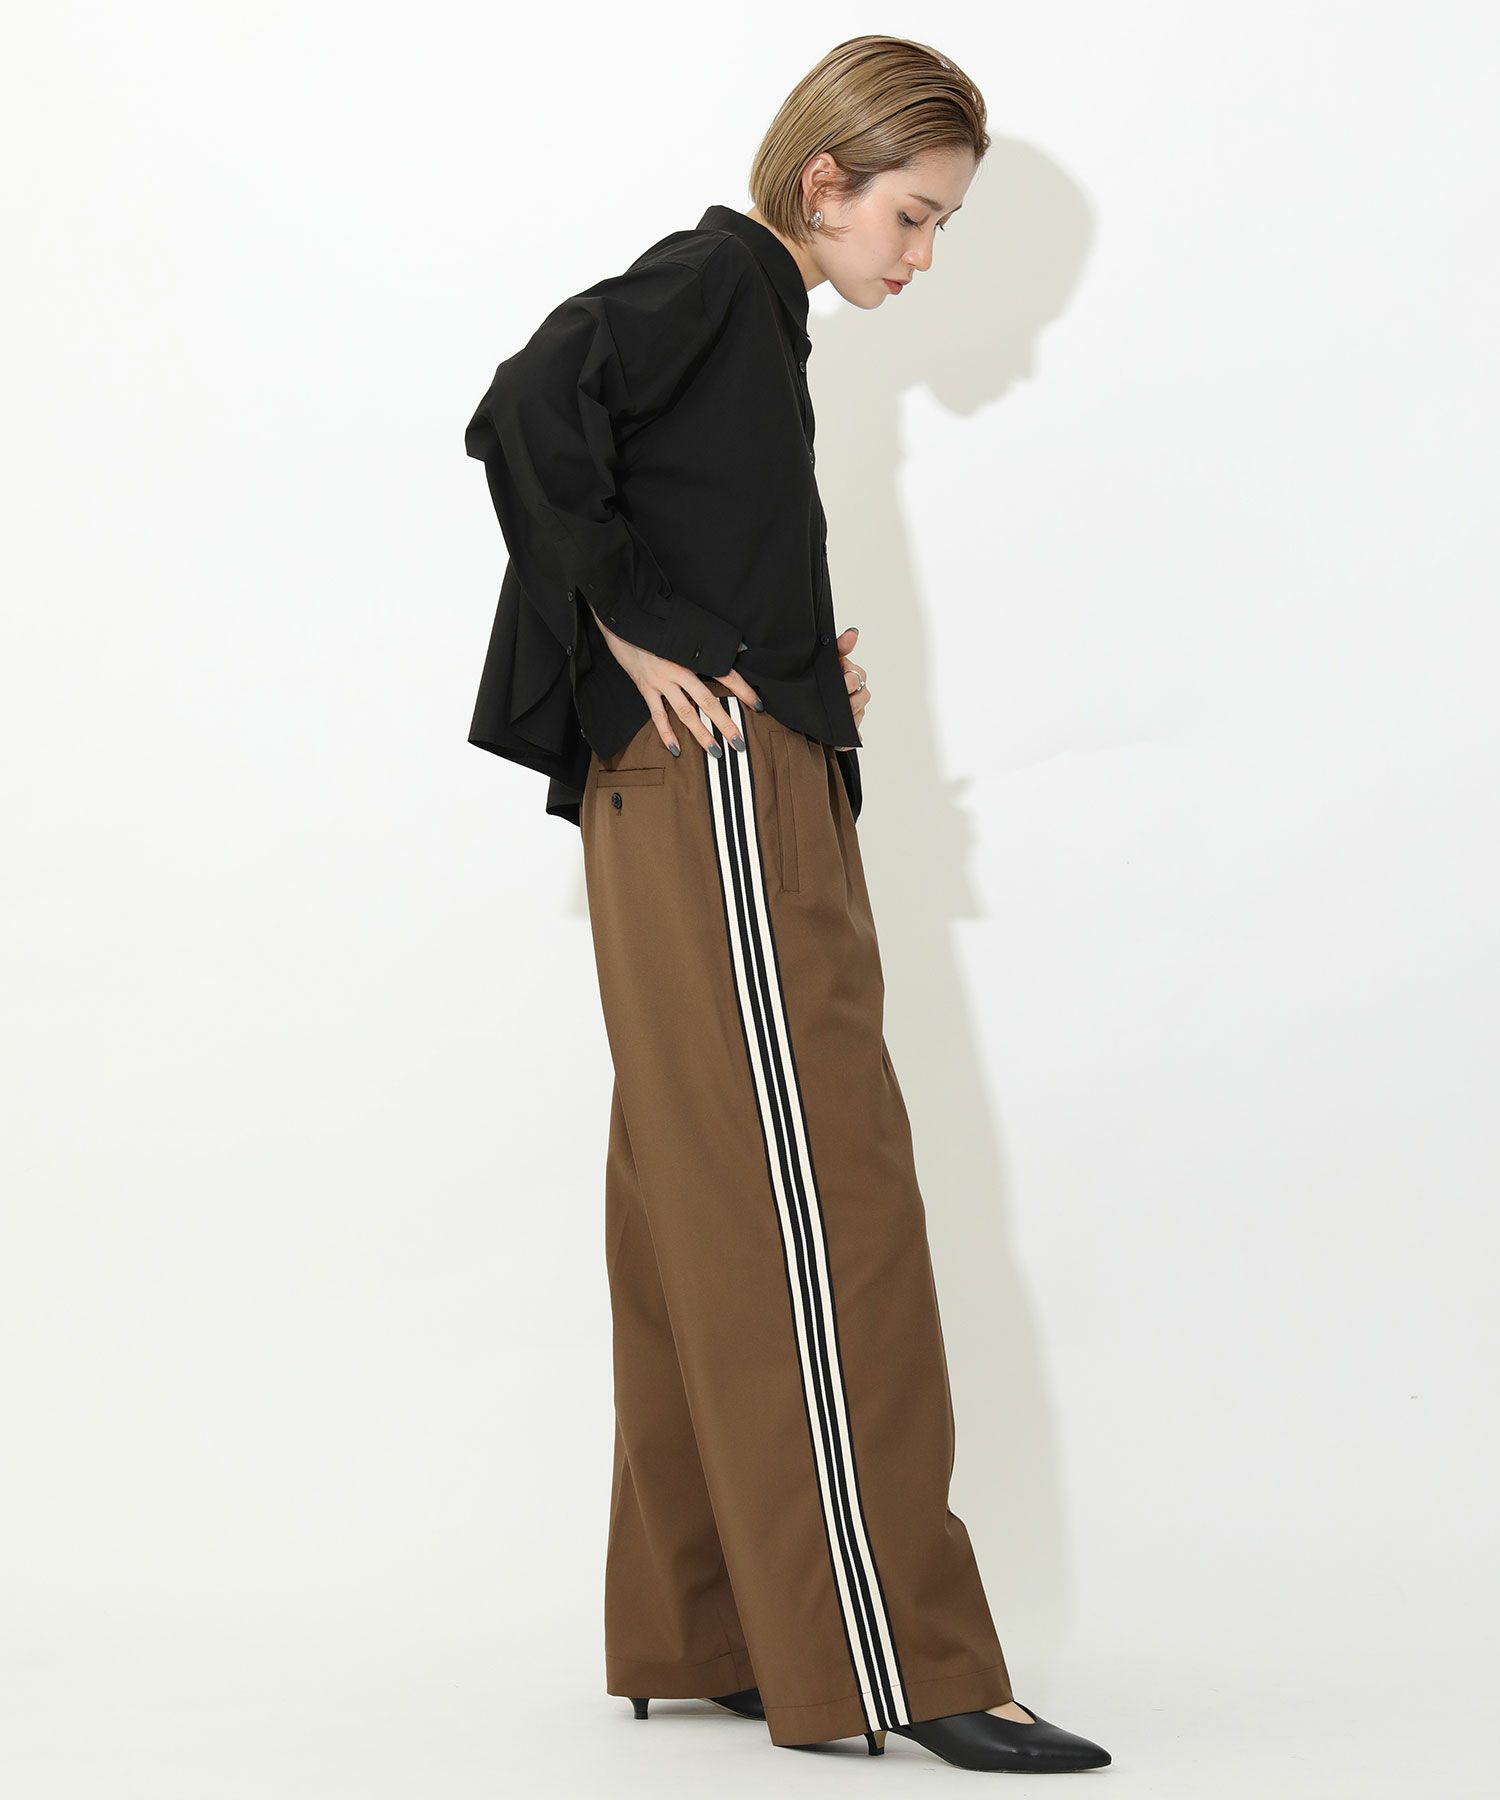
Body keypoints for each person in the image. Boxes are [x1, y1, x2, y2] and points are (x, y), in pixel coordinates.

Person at [462, 33, 1112, 1777]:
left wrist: (776, 655)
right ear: (822, 182)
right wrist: (640, 628)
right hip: (722, 807)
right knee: (828, 1200)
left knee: (695, 1193)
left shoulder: (753, 314)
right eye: (914, 215)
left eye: (944, 224)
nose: (926, 255)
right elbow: (526, 407)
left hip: (715, 784)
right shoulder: (718, 281)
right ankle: (901, 1658)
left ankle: (716, 1621)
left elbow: (665, 493)